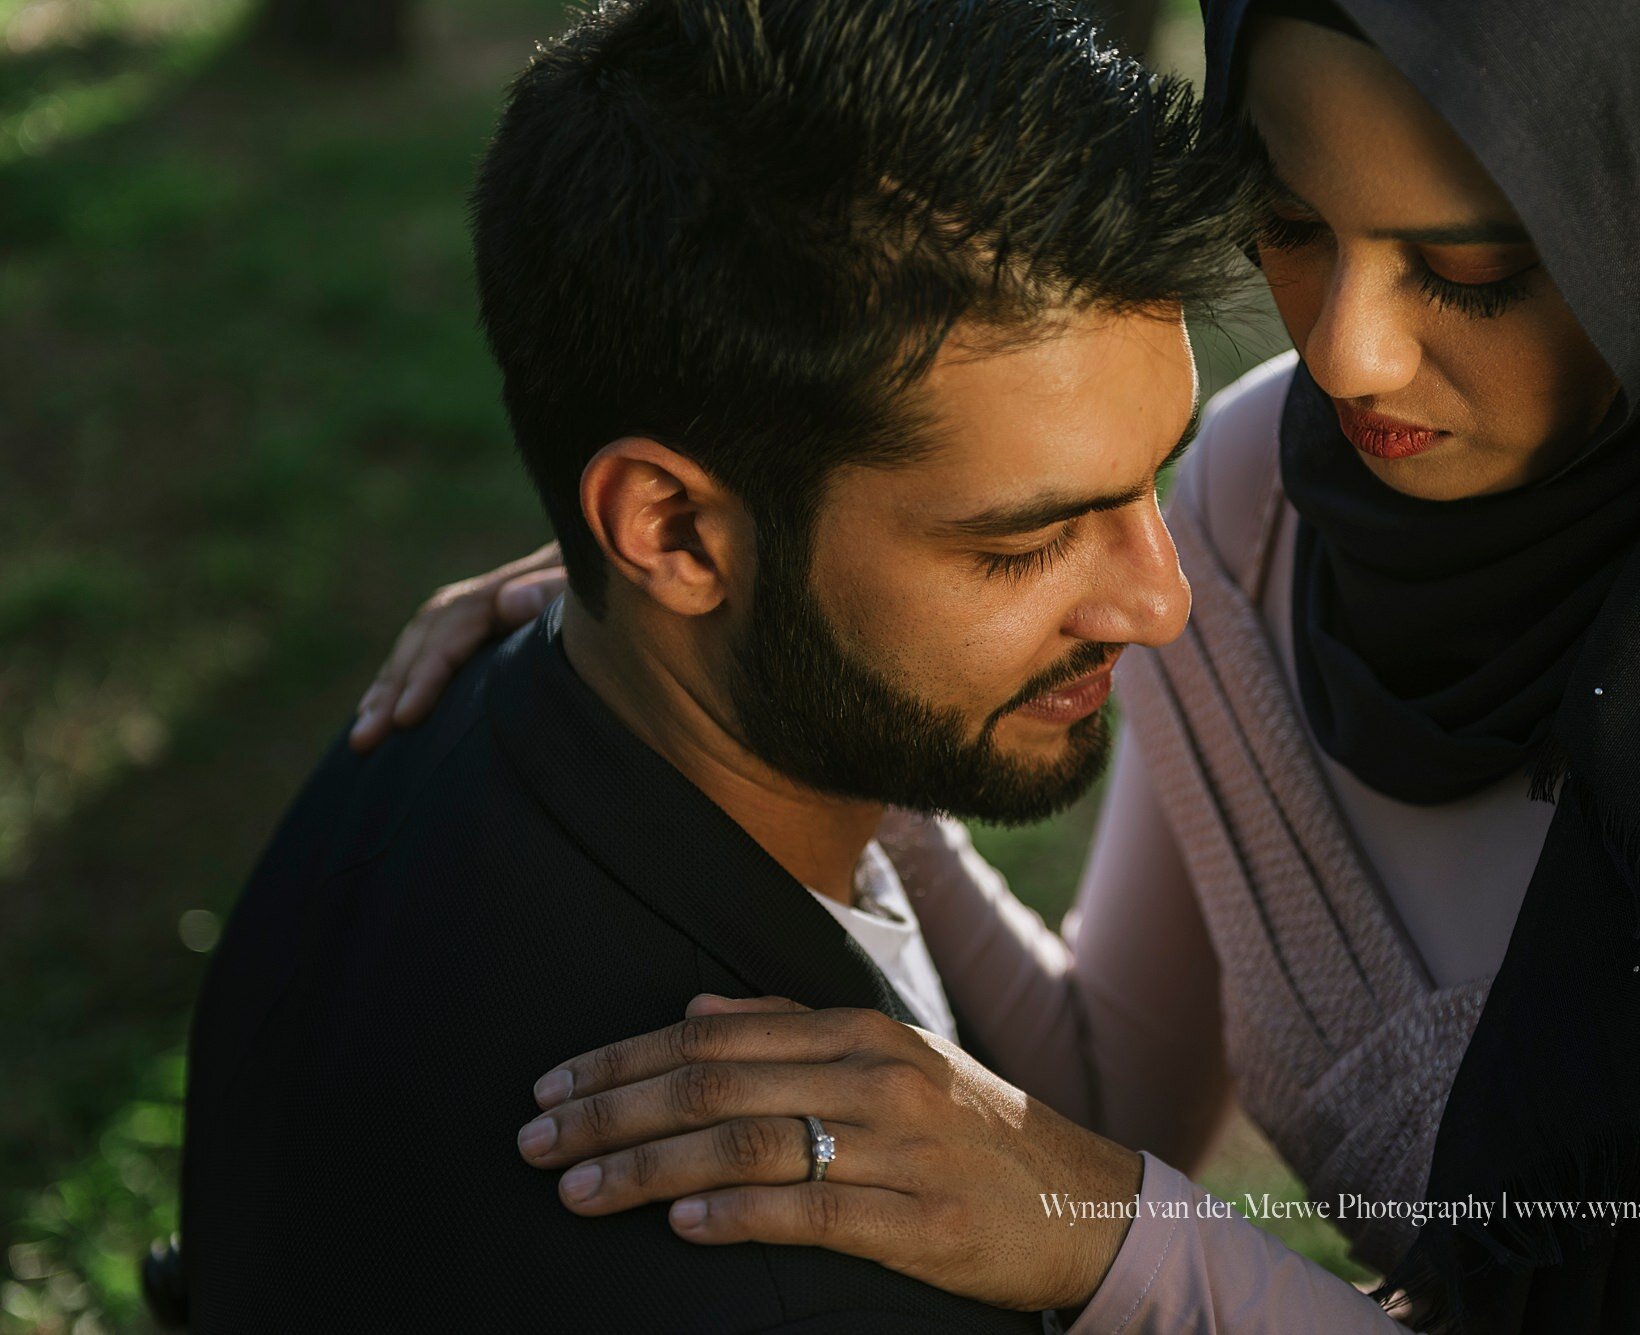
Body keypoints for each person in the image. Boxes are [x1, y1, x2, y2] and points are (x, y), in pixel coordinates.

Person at [362, 0, 1640, 1331]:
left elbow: (1089, 1181)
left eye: (1475, 268)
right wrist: (765, 641)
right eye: (1289, 221)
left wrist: (1128, 1249)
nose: (1344, 351)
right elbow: (1098, 1081)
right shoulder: (1255, 496)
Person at [171, 0, 1264, 1327]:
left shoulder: (451, 723)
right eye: (1027, 539)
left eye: (1155, 476)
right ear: (672, 531)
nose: (1162, 601)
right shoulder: (781, 1270)